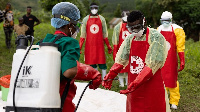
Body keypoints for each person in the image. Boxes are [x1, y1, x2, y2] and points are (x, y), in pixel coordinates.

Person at [38, 2, 102, 112]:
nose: (77, 29)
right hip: (59, 103)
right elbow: (69, 71)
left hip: (39, 100)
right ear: (69, 25)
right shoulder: (69, 43)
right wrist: (93, 73)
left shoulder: (44, 41)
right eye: (76, 25)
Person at [102, 10, 171, 112]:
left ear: (144, 22)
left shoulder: (156, 37)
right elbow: (122, 59)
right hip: (133, 87)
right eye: (131, 28)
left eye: (137, 27)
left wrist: (137, 82)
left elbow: (153, 63)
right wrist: (111, 74)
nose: (134, 31)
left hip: (151, 85)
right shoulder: (130, 39)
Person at [157, 11, 185, 110]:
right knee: (161, 79)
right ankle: (163, 99)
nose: (165, 22)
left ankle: (174, 101)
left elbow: (180, 47)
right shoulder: (159, 29)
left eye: (167, 20)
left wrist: (182, 60)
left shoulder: (178, 29)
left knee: (172, 80)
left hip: (172, 59)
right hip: (161, 59)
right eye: (163, 21)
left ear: (171, 20)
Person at [79, 2, 112, 79]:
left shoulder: (102, 19)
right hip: (89, 45)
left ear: (98, 8)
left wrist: (108, 45)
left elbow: (105, 34)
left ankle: (104, 78)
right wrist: (80, 47)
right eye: (93, 8)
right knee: (92, 62)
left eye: (96, 8)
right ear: (90, 9)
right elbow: (83, 34)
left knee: (102, 62)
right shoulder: (85, 19)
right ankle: (95, 77)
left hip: (99, 45)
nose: (94, 10)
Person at [112, 11, 130, 87]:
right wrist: (115, 51)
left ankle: (127, 82)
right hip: (121, 49)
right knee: (120, 66)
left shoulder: (132, 26)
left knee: (129, 66)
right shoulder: (118, 27)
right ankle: (121, 83)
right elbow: (115, 40)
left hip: (130, 49)